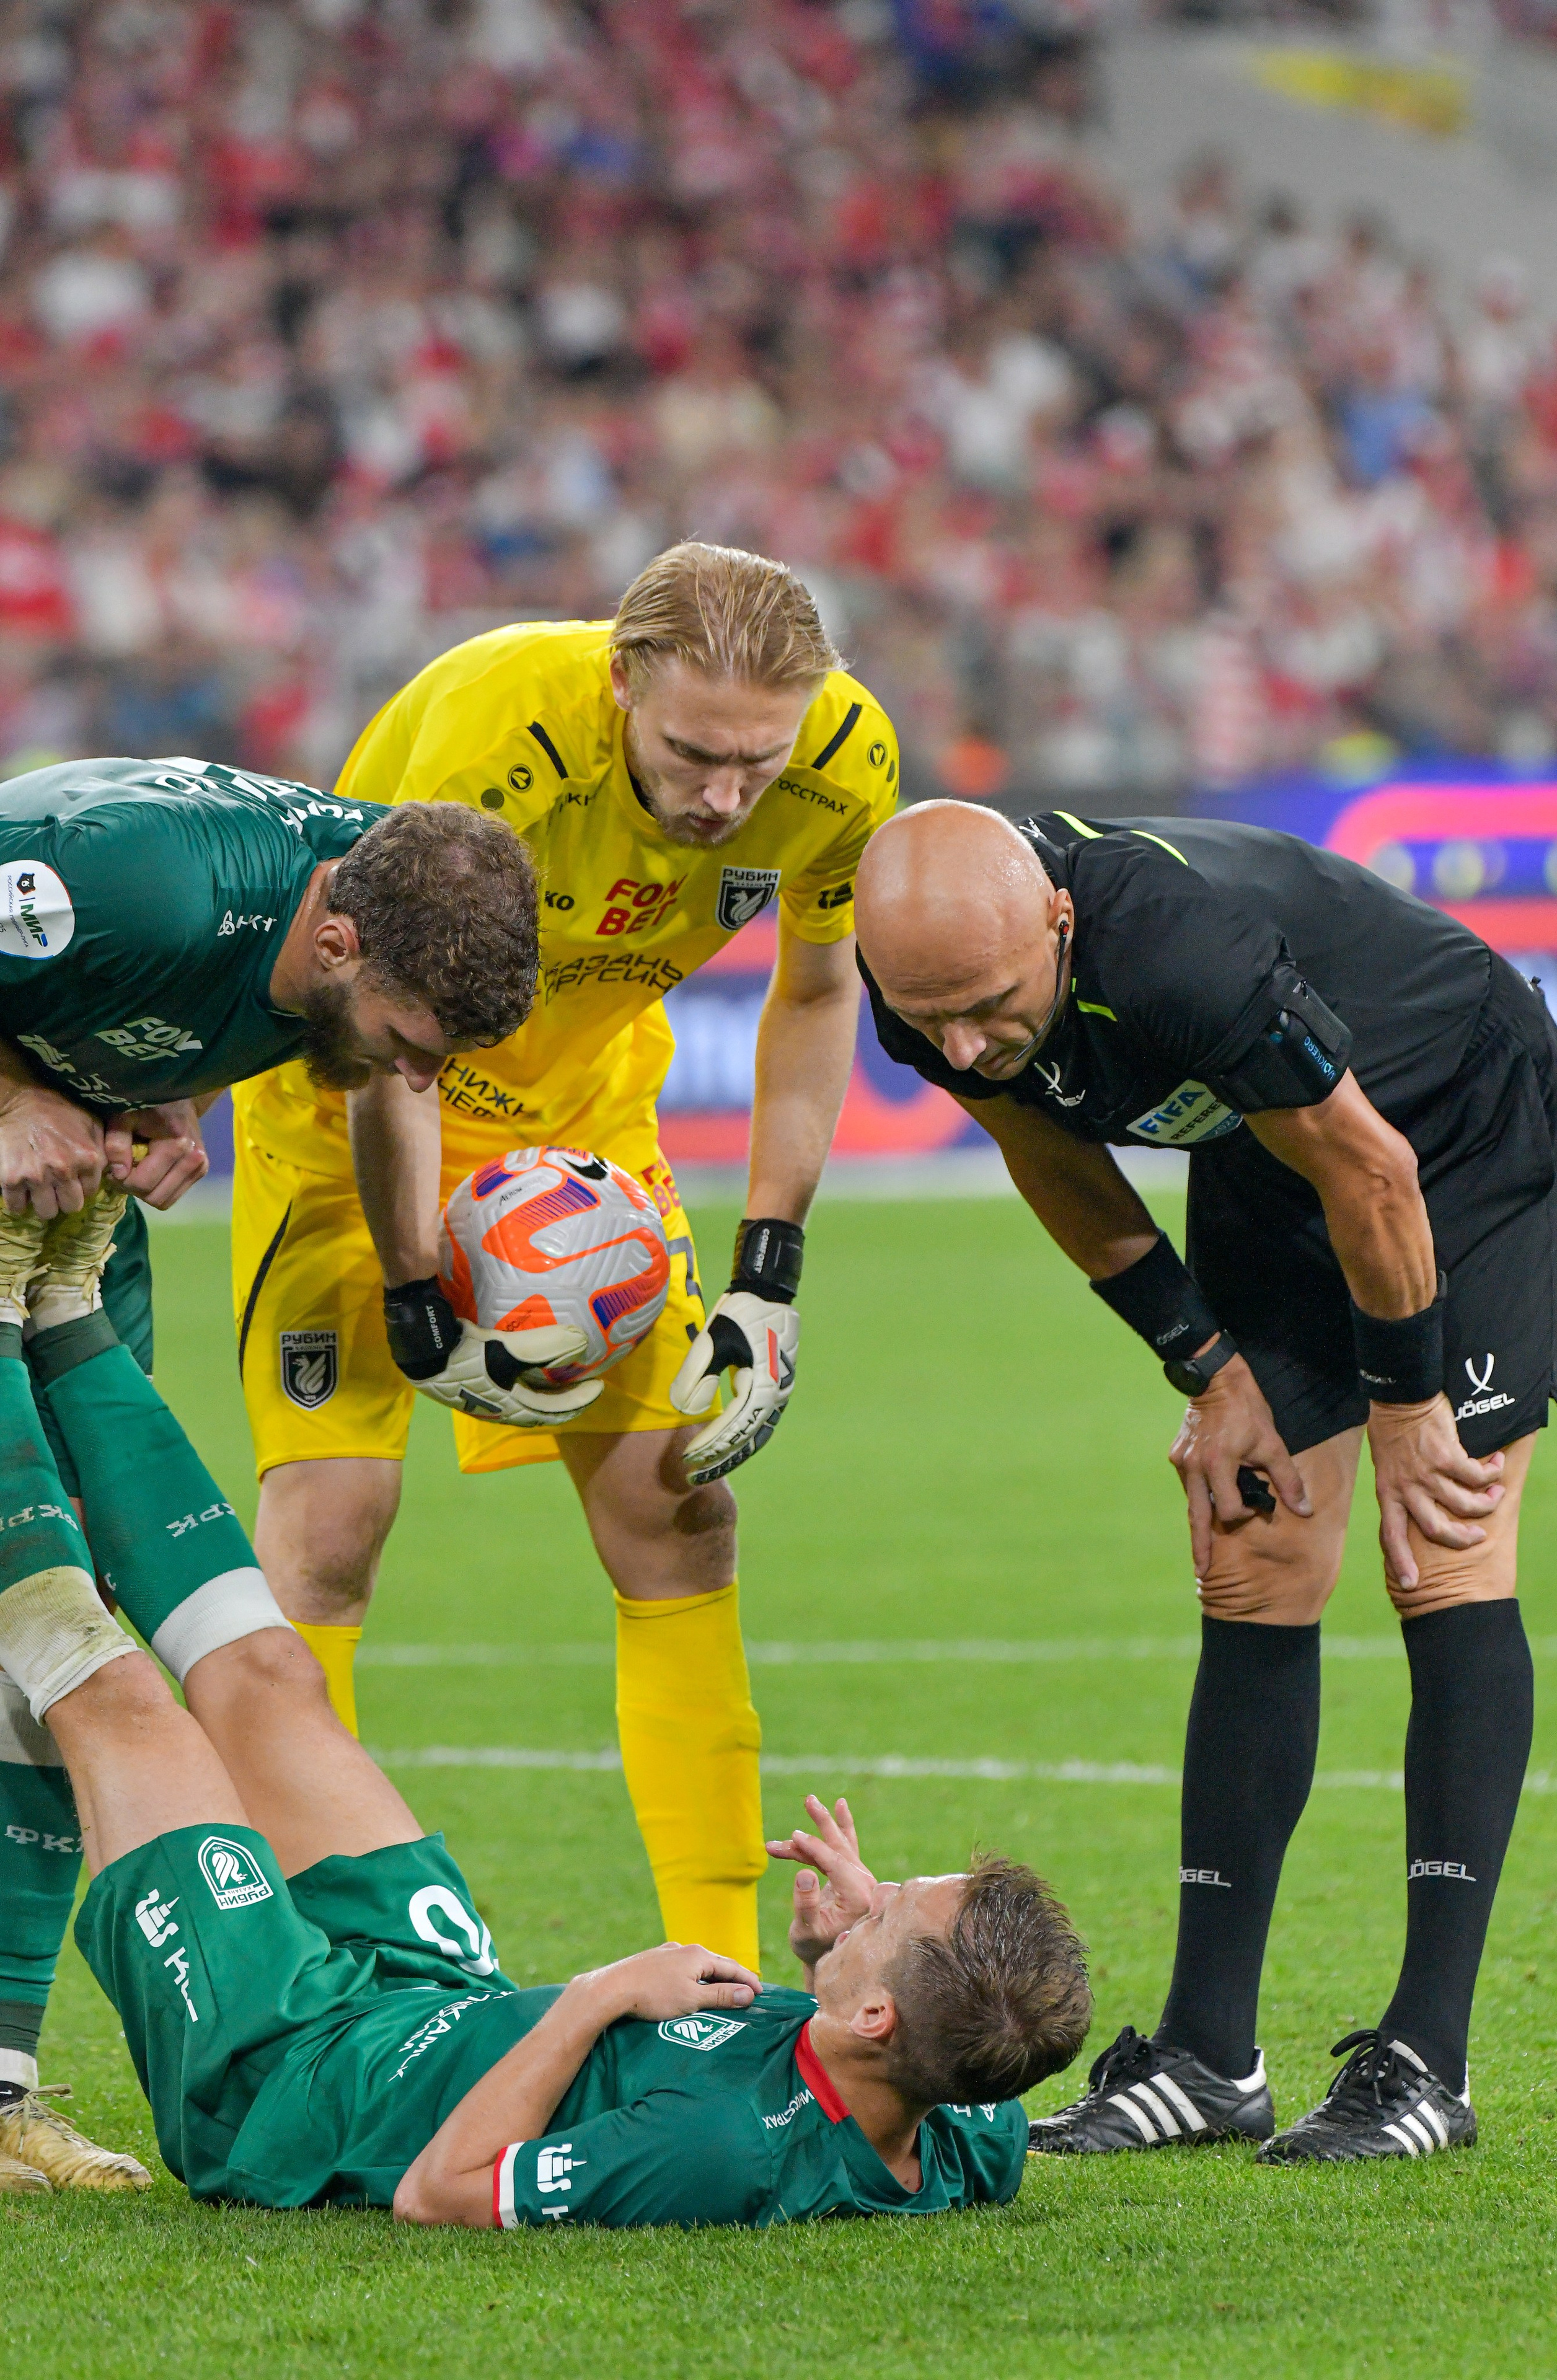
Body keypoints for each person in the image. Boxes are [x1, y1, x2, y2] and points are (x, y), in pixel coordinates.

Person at [0, 1186, 1091, 2223]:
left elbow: (442, 2192)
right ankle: (66, 1303)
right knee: (275, 1677)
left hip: (295, 2084)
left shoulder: (718, 2151)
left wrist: (604, 1990)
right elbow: (949, 2059)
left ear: (877, 2018)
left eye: (896, 1904)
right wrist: (832, 1961)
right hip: (436, 1992)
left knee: (117, 1698)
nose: (876, 1888)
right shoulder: (969, 2123)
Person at [853, 800, 1557, 2164]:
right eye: (928, 1020)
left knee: (1438, 1545)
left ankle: (1426, 2061)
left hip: (1452, 1127)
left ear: (1056, 924)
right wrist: (1207, 1369)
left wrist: (1410, 1400)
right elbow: (1042, 1151)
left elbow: (1374, 1169)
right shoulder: (925, 992)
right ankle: (1203, 2054)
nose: (958, 1046)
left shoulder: (1182, 956)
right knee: (1249, 1551)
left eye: (989, 1008)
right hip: (1268, 1150)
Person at [230, 541, 901, 1975]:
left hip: (578, 1129)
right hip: (352, 1096)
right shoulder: (495, 732)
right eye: (693, 754)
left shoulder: (844, 764)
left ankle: (719, 1979)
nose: (727, 797)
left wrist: (766, 1271)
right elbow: (390, 1029)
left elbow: (819, 984)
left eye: (757, 762)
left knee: (680, 1517)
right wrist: (419, 1291)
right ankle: (314, 1984)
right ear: (619, 683)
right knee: (329, 1538)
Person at [0, 756, 540, 2192]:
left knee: (46, 1662)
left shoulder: (393, 873)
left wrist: (150, 1094)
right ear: (338, 944)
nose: (411, 1075)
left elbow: (213, 1036)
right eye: (409, 1040)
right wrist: (12, 1090)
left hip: (53, 1237)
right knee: (67, 1659)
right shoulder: (142, 883)